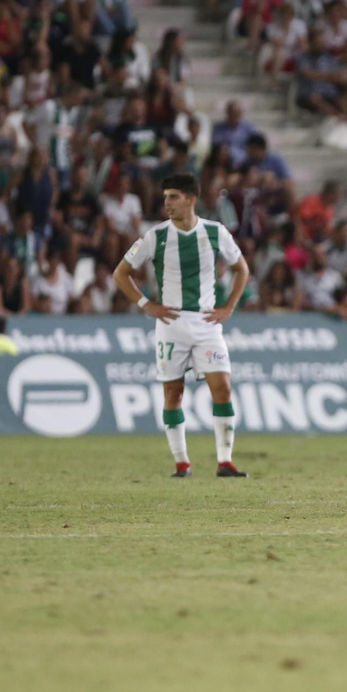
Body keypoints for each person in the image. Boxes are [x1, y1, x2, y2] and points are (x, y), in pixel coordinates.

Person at [113, 173, 251, 478]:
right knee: (173, 393)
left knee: (223, 388)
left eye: (173, 197)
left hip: (206, 323)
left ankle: (225, 462)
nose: (167, 203)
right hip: (171, 324)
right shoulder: (155, 236)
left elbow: (242, 269)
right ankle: (182, 463)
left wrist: (229, 307)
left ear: (191, 199)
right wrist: (146, 304)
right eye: (165, 197)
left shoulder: (216, 232)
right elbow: (120, 274)